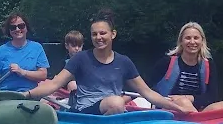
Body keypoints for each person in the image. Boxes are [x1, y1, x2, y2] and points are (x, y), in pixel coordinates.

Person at [24, 10, 178, 115]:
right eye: (94, 34)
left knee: (116, 103)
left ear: (113, 34)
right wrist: (26, 95)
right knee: (116, 102)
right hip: (85, 111)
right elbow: (54, 84)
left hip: (112, 110)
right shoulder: (80, 58)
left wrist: (175, 107)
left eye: (103, 33)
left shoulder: (124, 62)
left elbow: (147, 92)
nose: (98, 37)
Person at [152, 21, 223, 113]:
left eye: (196, 38)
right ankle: (197, 119)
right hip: (170, 109)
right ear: (181, 41)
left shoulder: (209, 64)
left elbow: (211, 97)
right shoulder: (166, 62)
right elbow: (148, 88)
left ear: (202, 41)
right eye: (188, 38)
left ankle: (197, 118)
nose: (192, 42)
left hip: (197, 111)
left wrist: (189, 98)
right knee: (183, 102)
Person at [0, 13, 49, 93]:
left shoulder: (37, 48)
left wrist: (22, 72)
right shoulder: (1, 50)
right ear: (9, 31)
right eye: (13, 27)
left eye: (21, 26)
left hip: (29, 93)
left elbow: (43, 75)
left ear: (26, 27)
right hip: (6, 94)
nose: (17, 29)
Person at [61, 29, 84, 96]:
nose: (77, 48)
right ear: (66, 46)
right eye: (74, 46)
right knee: (72, 84)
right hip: (66, 91)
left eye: (79, 46)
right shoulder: (64, 63)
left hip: (83, 89)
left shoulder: (86, 61)